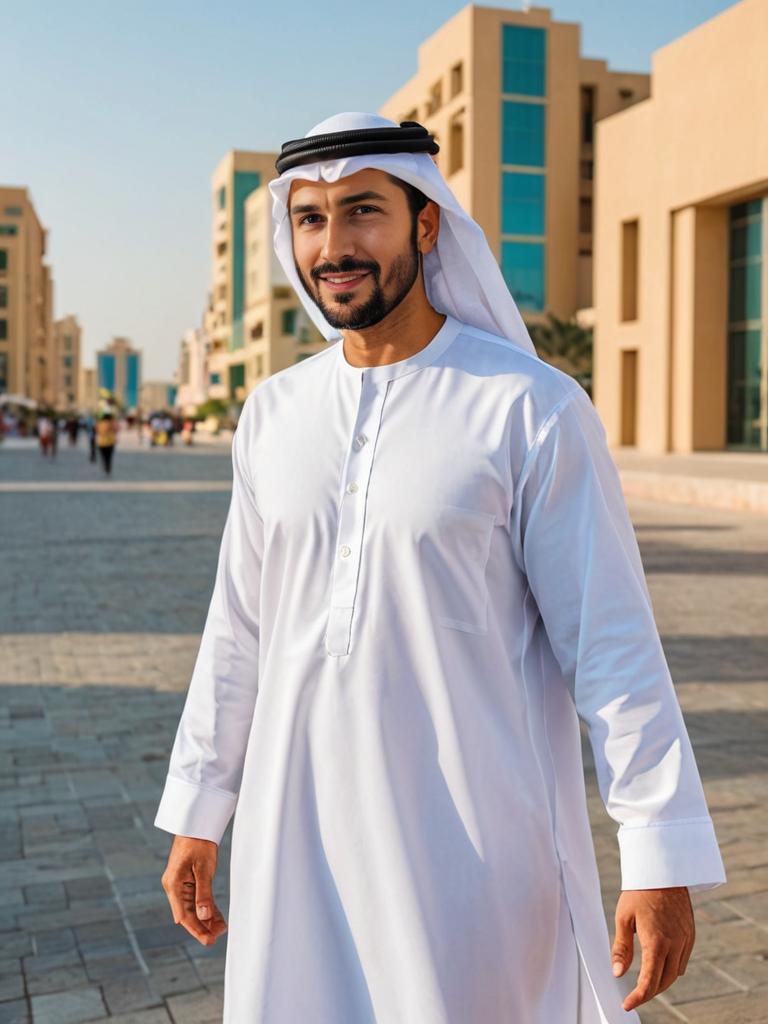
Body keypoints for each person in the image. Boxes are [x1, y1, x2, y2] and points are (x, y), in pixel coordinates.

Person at [154, 113, 726, 1024]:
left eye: (363, 212)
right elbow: (239, 629)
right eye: (310, 219)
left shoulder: (529, 407)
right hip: (293, 843)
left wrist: (658, 852)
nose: (334, 245)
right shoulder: (273, 412)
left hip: (472, 857)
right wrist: (199, 806)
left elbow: (611, 645)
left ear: (427, 225)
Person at [95, 411, 118, 475]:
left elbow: (97, 431)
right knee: (109, 456)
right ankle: (108, 466)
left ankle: (105, 465)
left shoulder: (99, 423)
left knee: (103, 456)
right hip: (110, 442)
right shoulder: (112, 423)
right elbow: (116, 430)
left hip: (101, 442)